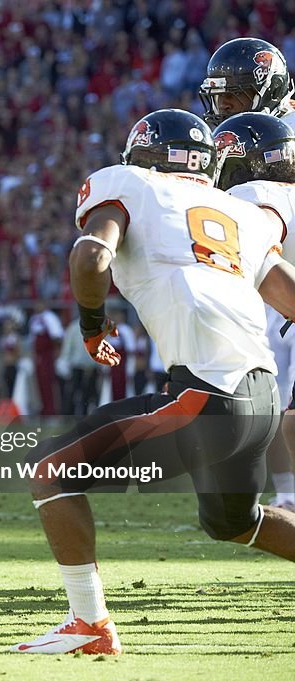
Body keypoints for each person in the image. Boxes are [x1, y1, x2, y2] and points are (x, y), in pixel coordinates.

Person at [13, 109, 295, 655]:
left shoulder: (128, 184)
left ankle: (89, 625)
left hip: (208, 394)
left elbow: (91, 254)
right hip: (263, 396)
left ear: (142, 154)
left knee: (52, 472)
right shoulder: (242, 212)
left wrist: (93, 327)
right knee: (235, 521)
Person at [200, 38, 295, 510]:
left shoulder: (288, 132)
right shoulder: (230, 138)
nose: (223, 106)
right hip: (262, 272)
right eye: (218, 96)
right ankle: (289, 495)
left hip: (274, 262)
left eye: (233, 95)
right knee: (272, 395)